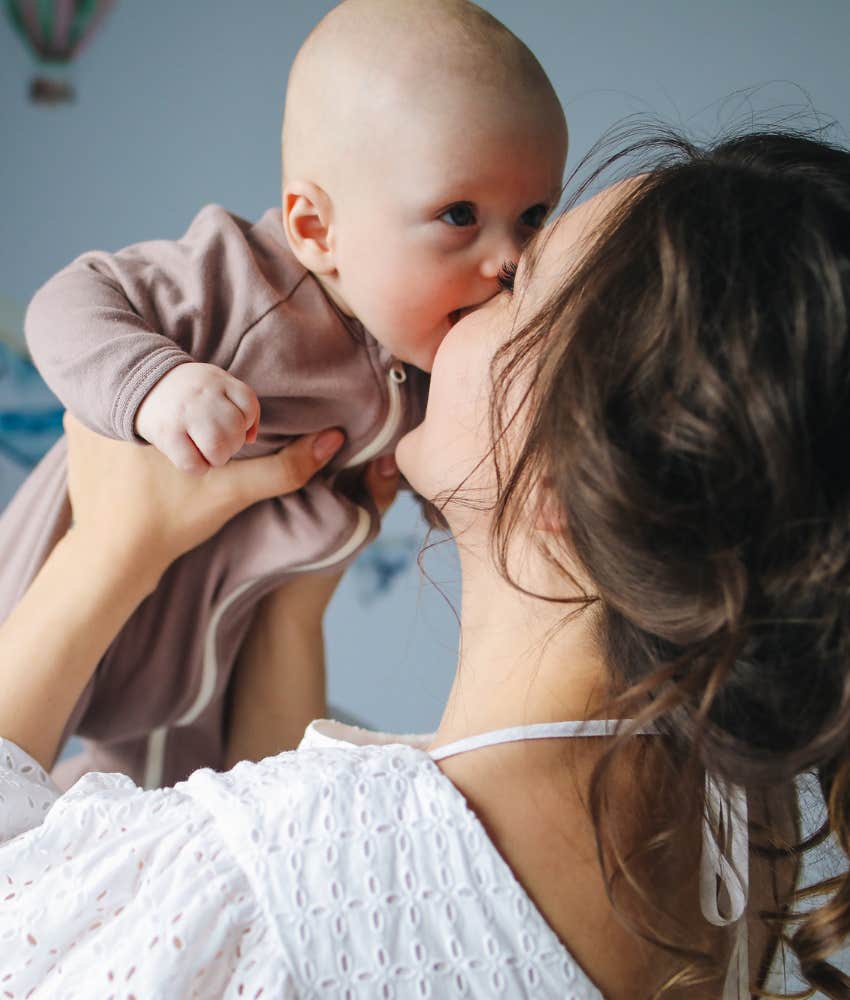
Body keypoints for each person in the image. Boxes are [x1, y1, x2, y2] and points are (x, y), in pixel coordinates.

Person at [1, 126, 849, 999]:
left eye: (519, 282)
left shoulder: (283, 868)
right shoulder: (741, 841)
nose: (466, 298)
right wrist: (296, 598)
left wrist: (105, 553)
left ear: (566, 471)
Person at [0, 0, 567, 790]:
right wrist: (155, 383)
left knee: (172, 819)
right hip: (54, 601)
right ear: (315, 228)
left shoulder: (426, 352)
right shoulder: (242, 281)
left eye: (535, 217)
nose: (508, 258)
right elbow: (68, 301)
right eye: (459, 215)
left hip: (210, 656)